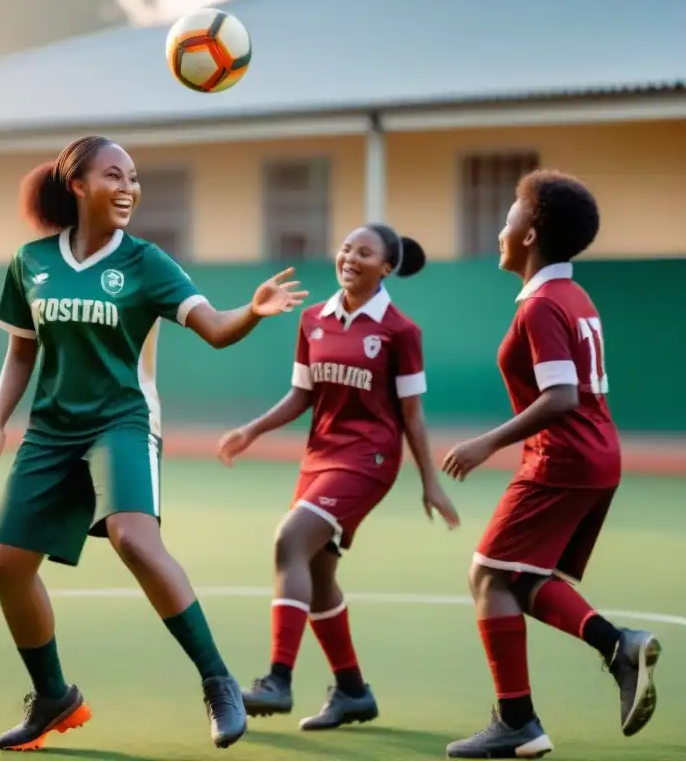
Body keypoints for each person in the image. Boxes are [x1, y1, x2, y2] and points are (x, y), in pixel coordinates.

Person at [0, 135, 308, 752]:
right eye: (113, 176)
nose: (128, 188)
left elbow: (213, 329)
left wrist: (253, 312)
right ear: (77, 185)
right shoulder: (31, 261)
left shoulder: (147, 263)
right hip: (50, 429)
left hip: (121, 421)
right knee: (6, 568)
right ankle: (53, 697)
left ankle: (219, 682)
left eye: (133, 178)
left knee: (134, 537)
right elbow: (22, 349)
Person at [441, 170, 659, 759]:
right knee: (520, 577)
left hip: (562, 459)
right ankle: (615, 650)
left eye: (511, 215)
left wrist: (486, 442)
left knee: (488, 575)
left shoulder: (540, 306)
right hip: (595, 455)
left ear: (531, 233)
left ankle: (520, 720)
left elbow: (560, 397)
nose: (501, 229)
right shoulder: (574, 296)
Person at [216, 223, 460, 730]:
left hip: (369, 461)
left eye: (364, 252)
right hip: (320, 456)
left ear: (386, 268)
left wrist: (429, 482)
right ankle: (352, 691)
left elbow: (412, 416)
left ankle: (277, 681)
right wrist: (252, 429)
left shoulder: (400, 331)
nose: (349, 257)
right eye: (346, 248)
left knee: (289, 541)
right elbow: (301, 396)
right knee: (319, 573)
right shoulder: (312, 320)